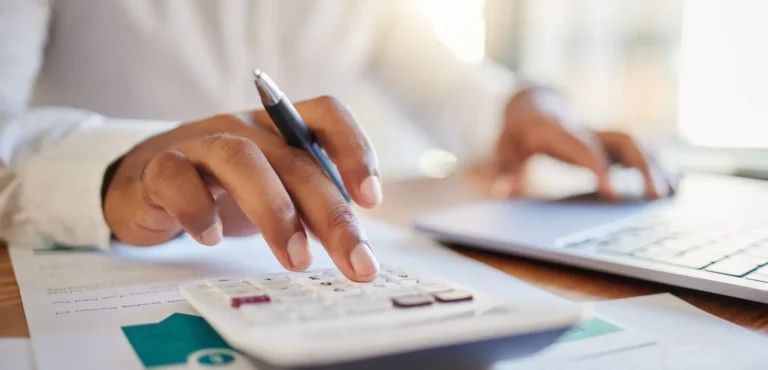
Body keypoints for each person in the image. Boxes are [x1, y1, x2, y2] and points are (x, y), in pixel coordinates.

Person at [0, 0, 673, 282]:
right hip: (110, 267)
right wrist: (109, 174)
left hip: (331, 267)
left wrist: (529, 106)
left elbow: (454, 91)